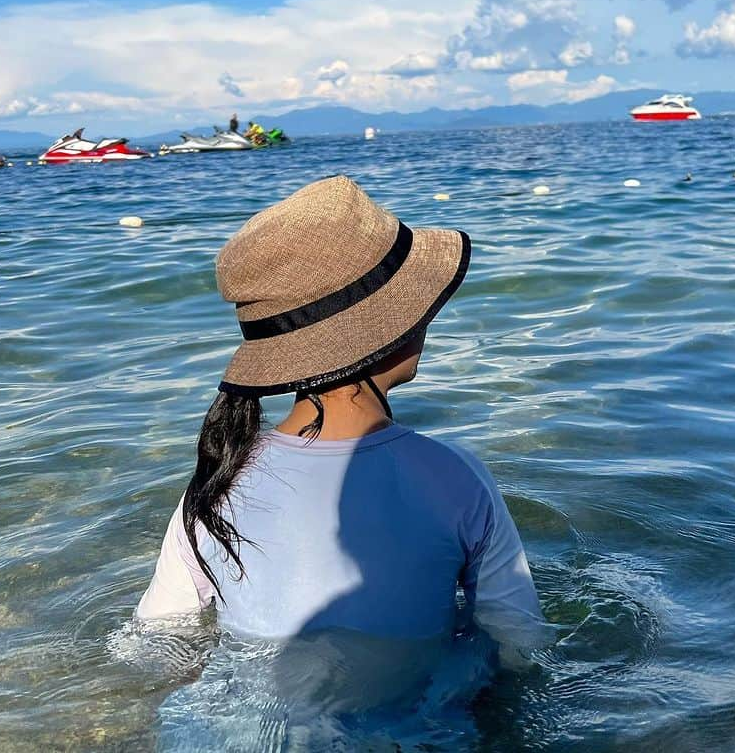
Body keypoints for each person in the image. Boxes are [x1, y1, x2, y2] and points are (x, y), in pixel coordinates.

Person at [136, 176, 544, 661]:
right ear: (389, 328)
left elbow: (158, 639)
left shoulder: (213, 484)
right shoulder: (456, 478)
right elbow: (520, 642)